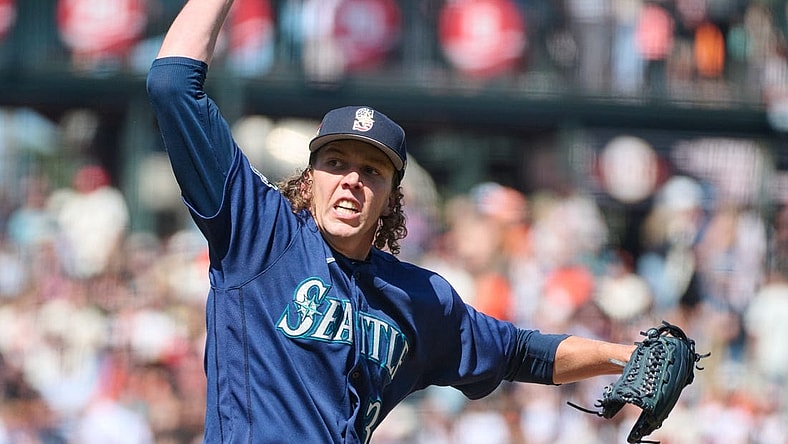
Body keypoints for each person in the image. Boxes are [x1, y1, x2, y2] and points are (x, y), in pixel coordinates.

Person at [146, 1, 636, 442]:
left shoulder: (419, 299)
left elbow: (522, 353)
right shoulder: (259, 234)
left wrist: (626, 358)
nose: (351, 180)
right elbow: (171, 84)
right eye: (335, 163)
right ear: (309, 179)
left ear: (390, 200)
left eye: (372, 171)